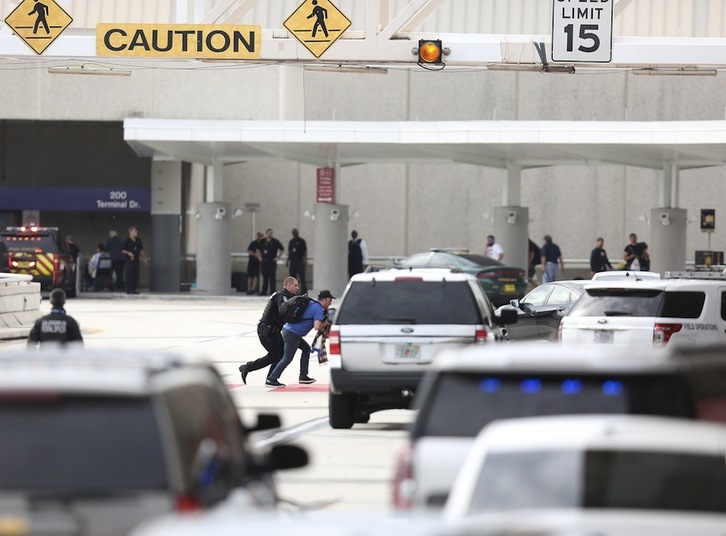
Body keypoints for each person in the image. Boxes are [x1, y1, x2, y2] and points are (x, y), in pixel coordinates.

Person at [266, 290, 335, 387]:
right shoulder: (318, 309)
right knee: (287, 358)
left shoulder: (311, 303)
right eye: (329, 301)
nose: (330, 303)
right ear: (323, 300)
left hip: (289, 331)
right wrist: (327, 323)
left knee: (306, 350)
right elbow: (317, 326)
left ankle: (303, 376)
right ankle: (271, 379)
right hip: (292, 333)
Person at [238, 276, 300, 385]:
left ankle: (269, 377)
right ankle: (253, 370)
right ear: (288, 285)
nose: (297, 288)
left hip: (272, 331)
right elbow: (284, 310)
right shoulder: (282, 296)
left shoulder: (283, 296)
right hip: (267, 332)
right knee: (277, 355)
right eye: (295, 285)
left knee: (279, 354)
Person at [121, 226, 146, 294]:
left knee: (136, 274)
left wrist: (144, 258)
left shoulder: (138, 240)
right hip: (129, 260)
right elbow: (122, 250)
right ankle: (129, 289)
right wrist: (128, 253)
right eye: (135, 231)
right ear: (130, 232)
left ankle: (134, 289)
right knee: (129, 274)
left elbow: (141, 249)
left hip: (136, 259)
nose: (136, 232)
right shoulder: (126, 241)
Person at [259, 229, 285, 296]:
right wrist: (259, 257)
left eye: (271, 233)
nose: (270, 235)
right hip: (264, 261)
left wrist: (278, 257)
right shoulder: (262, 241)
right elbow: (257, 249)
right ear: (266, 234)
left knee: (272, 277)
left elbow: (282, 249)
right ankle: (264, 291)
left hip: (272, 261)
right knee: (265, 276)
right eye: (269, 233)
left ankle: (272, 291)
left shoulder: (275, 241)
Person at [286, 228, 308, 294]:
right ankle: (292, 292)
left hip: (300, 261)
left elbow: (305, 251)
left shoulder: (302, 241)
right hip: (293, 261)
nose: (294, 234)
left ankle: (304, 291)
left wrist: (305, 259)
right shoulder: (291, 241)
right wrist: (287, 261)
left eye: (295, 232)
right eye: (293, 232)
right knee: (292, 278)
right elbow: (289, 252)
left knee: (302, 277)